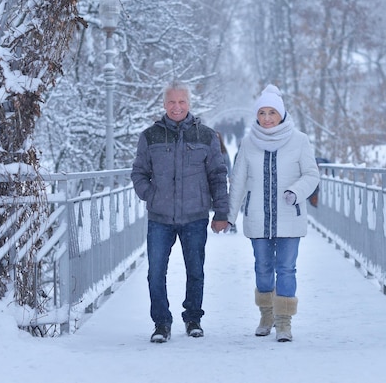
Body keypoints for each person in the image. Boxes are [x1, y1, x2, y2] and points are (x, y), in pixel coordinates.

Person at [131, 80, 229, 343]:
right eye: (172, 102)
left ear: (189, 103)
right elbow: (139, 173)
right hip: (160, 218)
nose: (177, 107)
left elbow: (218, 176)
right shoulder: (149, 136)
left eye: (182, 102)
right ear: (164, 104)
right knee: (155, 273)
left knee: (195, 269)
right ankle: (161, 323)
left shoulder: (207, 136)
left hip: (195, 215)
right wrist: (150, 194)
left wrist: (222, 213)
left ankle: (193, 318)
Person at [226, 84, 319, 342]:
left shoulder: (299, 140)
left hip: (290, 216)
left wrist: (296, 192)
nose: (267, 118)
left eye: (272, 113)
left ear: (282, 114)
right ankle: (267, 314)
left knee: (286, 268)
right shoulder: (248, 143)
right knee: (263, 268)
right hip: (258, 217)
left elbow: (312, 174)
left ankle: (284, 321)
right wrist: (229, 215)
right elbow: (239, 181)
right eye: (262, 112)